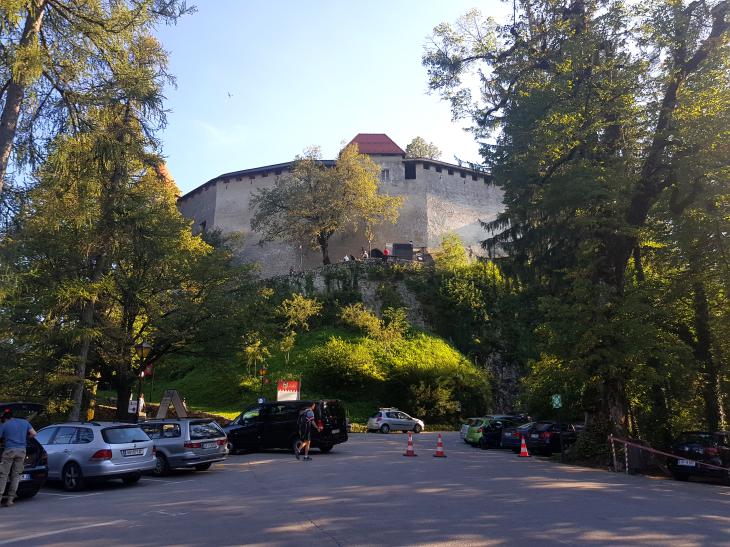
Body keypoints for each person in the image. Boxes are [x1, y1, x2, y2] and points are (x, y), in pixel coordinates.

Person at [0, 408, 37, 507]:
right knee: (16, 475)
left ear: (3, 417)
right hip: (22, 451)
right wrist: (25, 439)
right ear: (12, 415)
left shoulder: (4, 425)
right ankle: (10, 500)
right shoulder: (24, 422)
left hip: (9, 451)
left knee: (3, 475)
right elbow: (34, 433)